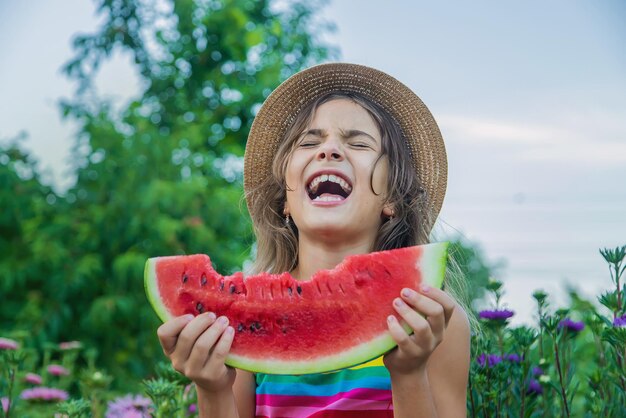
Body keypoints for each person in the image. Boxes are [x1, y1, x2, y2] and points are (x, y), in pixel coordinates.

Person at [157, 63, 471, 417]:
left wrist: (409, 373)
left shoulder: (430, 319)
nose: (329, 150)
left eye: (358, 143)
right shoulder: (248, 321)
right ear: (285, 201)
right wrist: (212, 388)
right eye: (309, 141)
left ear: (393, 201)